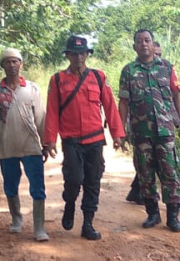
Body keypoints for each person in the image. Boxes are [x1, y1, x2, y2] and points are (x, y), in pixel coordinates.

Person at [43, 35, 126, 240]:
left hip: (95, 139)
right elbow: (52, 111)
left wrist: (117, 133)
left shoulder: (98, 77)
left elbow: (110, 106)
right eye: (74, 53)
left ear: (87, 54)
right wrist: (50, 139)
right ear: (68, 55)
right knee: (74, 179)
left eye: (82, 53)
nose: (79, 57)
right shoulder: (57, 80)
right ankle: (69, 203)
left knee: (92, 181)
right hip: (71, 140)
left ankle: (88, 223)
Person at [118, 29, 180, 232]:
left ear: (152, 43)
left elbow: (177, 95)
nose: (144, 44)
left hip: (165, 130)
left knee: (169, 172)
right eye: (139, 41)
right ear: (134, 46)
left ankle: (173, 216)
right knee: (145, 174)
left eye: (147, 40)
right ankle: (153, 214)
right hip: (141, 133)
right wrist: (120, 131)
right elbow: (123, 102)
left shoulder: (167, 67)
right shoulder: (129, 71)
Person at [0, 47, 49, 242]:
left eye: (15, 61)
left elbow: (40, 116)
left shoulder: (32, 88)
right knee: (10, 185)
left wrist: (45, 143)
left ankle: (39, 227)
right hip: (7, 147)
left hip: (31, 146)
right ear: (2, 66)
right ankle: (16, 219)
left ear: (21, 64)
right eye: (8, 62)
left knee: (38, 187)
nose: (12, 65)